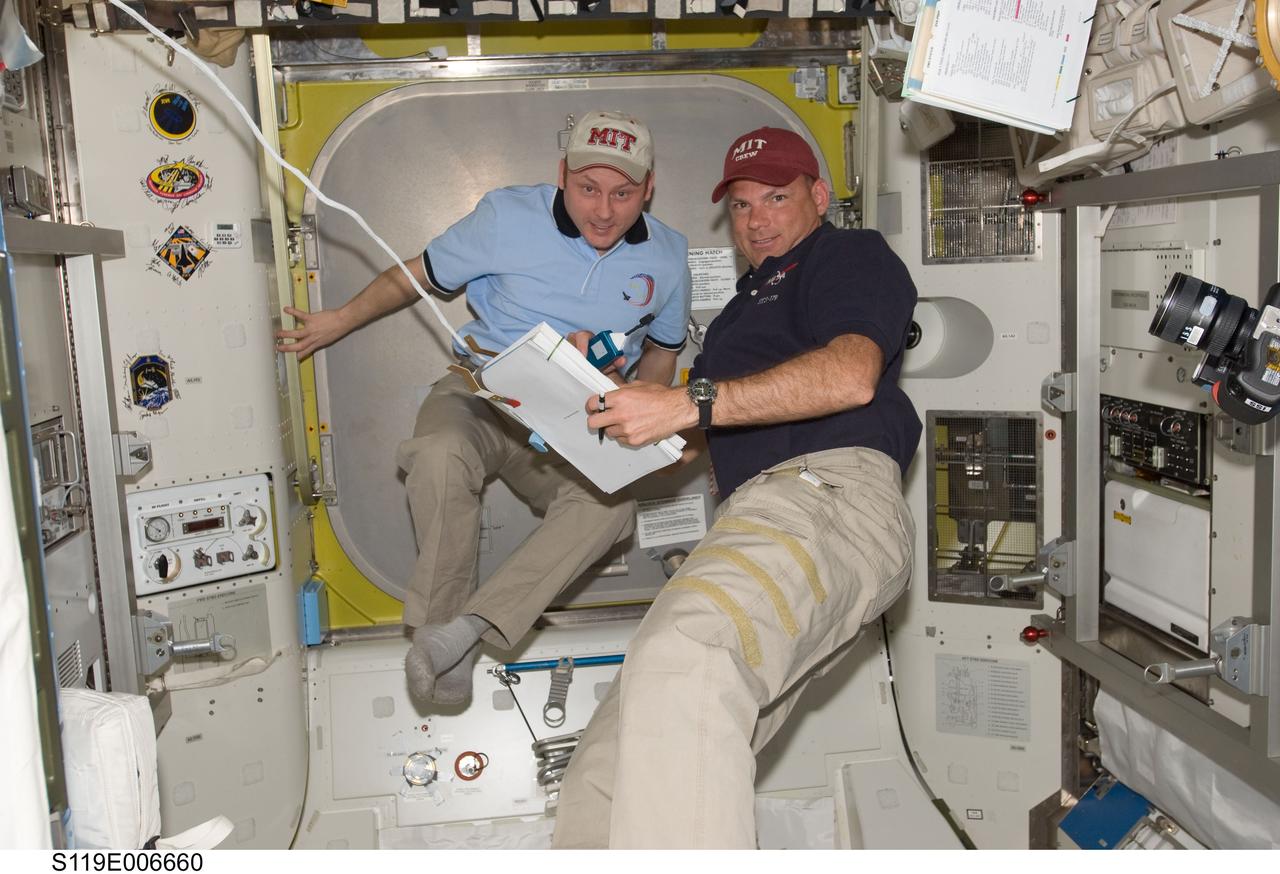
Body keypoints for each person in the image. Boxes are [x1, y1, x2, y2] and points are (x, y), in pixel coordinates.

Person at [551, 126, 921, 848]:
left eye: (777, 197)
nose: (758, 219)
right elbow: (684, 444)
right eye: (744, 205)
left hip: (828, 496)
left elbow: (850, 375)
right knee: (608, 767)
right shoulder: (733, 320)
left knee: (686, 656)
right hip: (762, 514)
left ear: (818, 196)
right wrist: (596, 407)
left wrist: (689, 398)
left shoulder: (848, 256)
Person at [275, 111, 692, 706]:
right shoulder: (507, 216)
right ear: (562, 177)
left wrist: (645, 432)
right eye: (588, 189)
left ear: (648, 189)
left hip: (576, 416)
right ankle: (437, 644)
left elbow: (662, 355)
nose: (604, 211)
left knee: (611, 512)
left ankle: (465, 634)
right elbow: (415, 275)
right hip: (484, 389)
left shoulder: (668, 257)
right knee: (439, 454)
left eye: (624, 194)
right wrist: (338, 319)